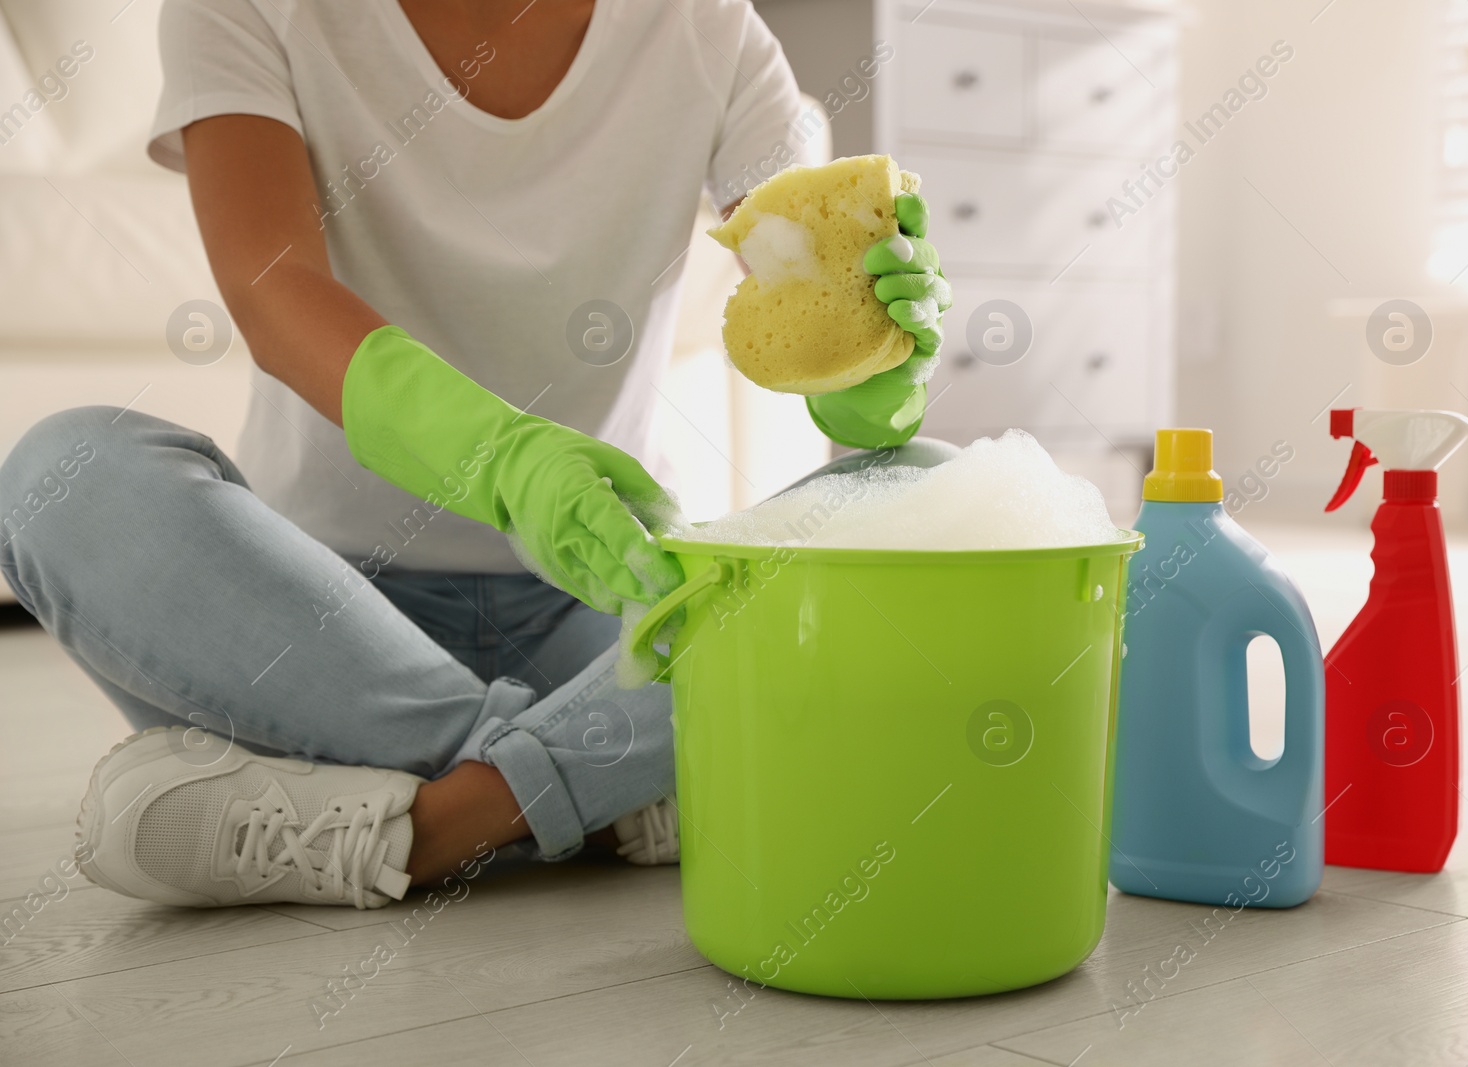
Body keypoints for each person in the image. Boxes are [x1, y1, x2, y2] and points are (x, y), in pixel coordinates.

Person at [0, 0, 946, 910]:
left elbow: (804, 278)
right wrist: (506, 462)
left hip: (613, 610)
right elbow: (272, 287)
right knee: (59, 477)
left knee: (924, 487)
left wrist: (870, 373)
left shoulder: (710, 28)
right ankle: (612, 789)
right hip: (317, 622)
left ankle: (429, 826)